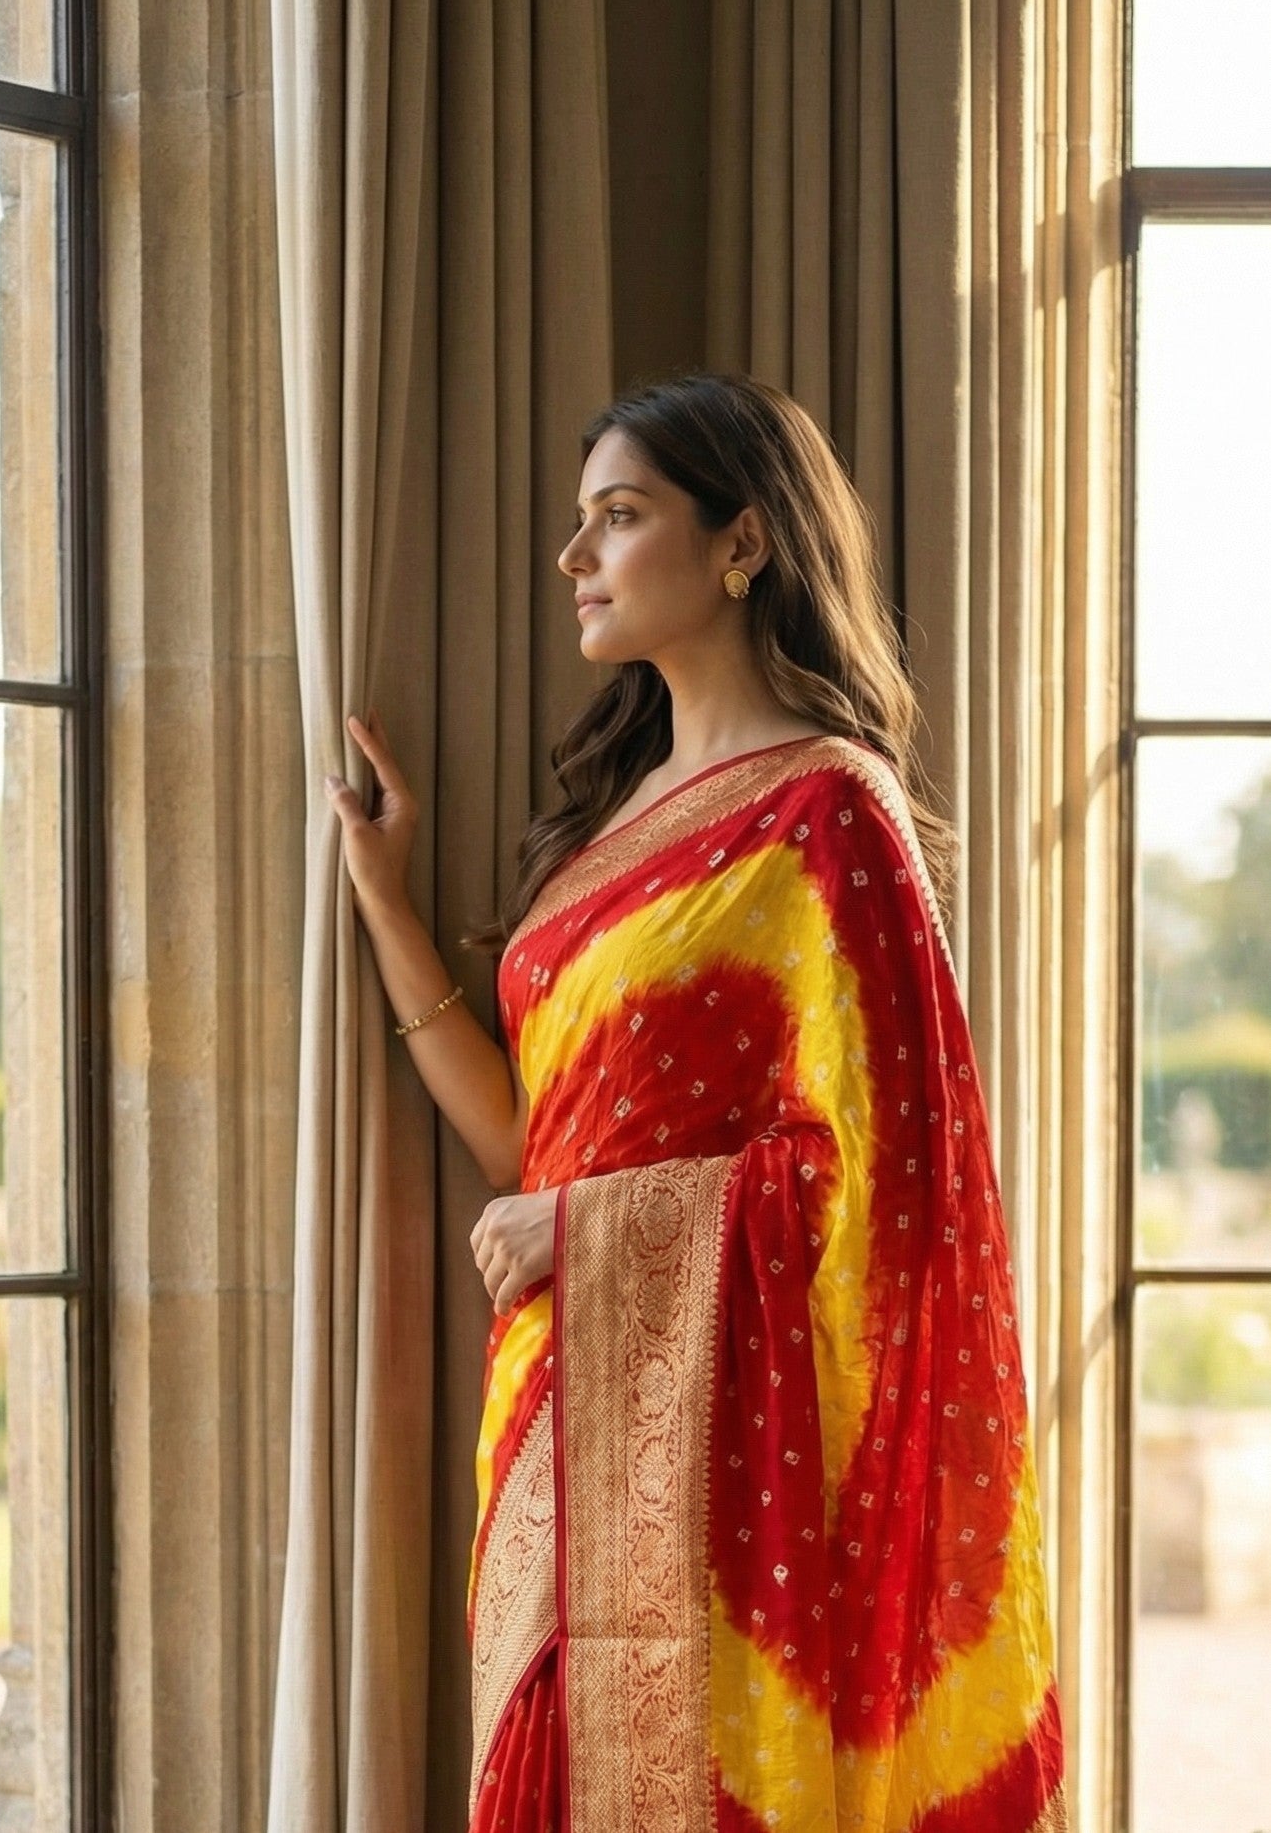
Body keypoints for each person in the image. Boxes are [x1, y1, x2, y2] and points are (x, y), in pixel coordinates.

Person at [323, 373, 1067, 1832]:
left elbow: (881, 1184)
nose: (573, 559)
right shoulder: (612, 824)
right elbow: (532, 1150)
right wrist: (388, 910)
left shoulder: (825, 812)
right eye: (577, 523)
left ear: (741, 545)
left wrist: (585, 1233)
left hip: (729, 1454)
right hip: (561, 1406)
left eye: (618, 518)